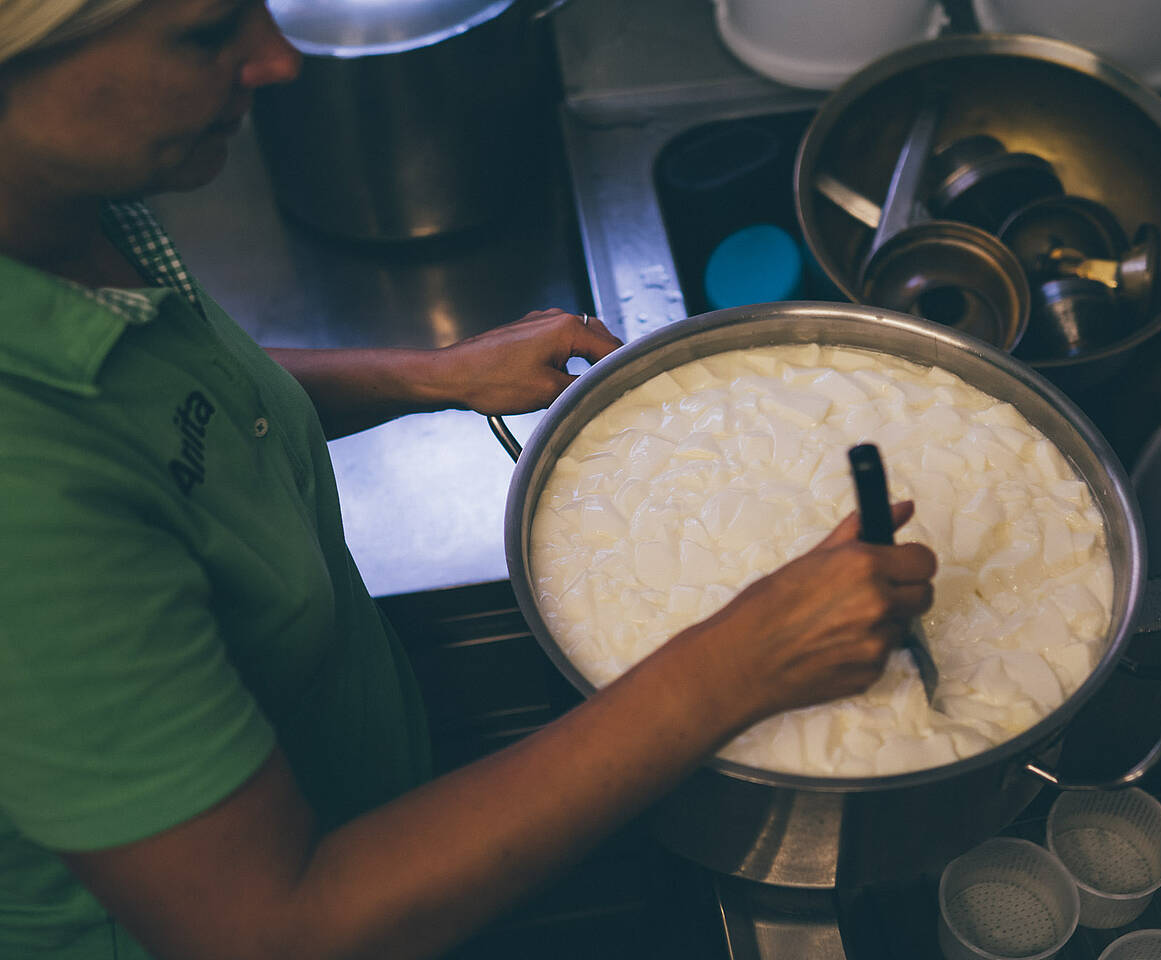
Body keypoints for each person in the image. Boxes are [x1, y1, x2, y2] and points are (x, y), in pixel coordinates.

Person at [0, 2, 938, 959]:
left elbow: (179, 398)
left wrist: (431, 375)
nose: (278, 60)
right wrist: (738, 661)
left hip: (373, 782)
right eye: (207, 33)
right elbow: (277, 930)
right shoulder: (22, 507)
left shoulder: (72, 214)